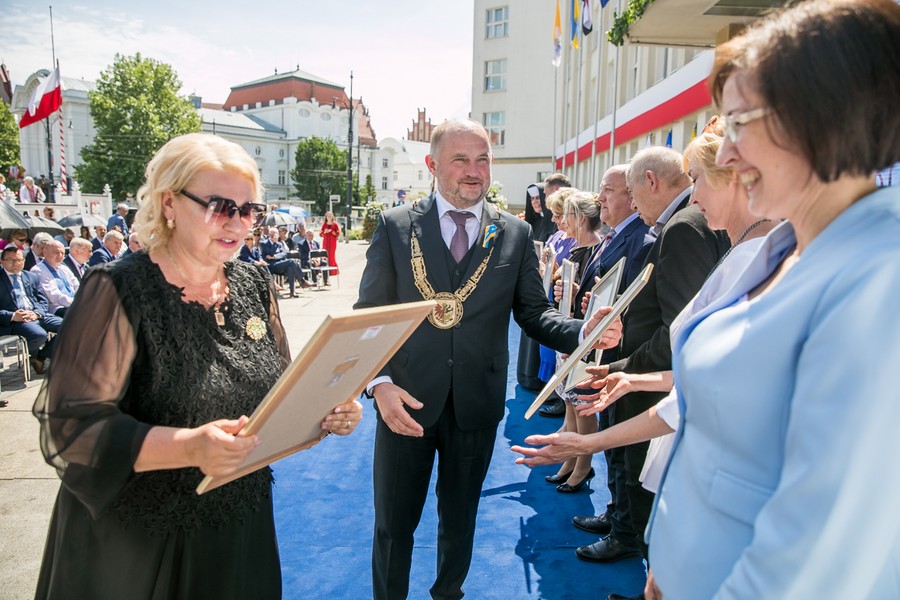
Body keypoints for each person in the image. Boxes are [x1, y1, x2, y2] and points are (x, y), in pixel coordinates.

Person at [522, 1, 900, 597]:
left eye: (740, 123)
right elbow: (712, 411)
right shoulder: (781, 249)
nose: (724, 155)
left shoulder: (879, 273)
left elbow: (827, 546)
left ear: (819, 117)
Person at [32, 132, 364, 599]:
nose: (237, 223)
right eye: (218, 205)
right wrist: (189, 446)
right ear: (169, 203)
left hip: (237, 522)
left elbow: (277, 395)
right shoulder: (119, 289)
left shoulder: (254, 282)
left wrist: (326, 412)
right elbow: (72, 430)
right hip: (139, 546)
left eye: (248, 210)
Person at [355, 119, 621, 600]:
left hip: (476, 406)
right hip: (405, 403)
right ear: (433, 165)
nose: (474, 171)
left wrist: (586, 330)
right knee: (394, 526)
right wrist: (379, 383)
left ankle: (447, 594)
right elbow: (369, 317)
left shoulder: (515, 233)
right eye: (461, 160)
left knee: (460, 521)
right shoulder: (396, 228)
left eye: (483, 160)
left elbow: (535, 314)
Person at [0, 247, 61, 374]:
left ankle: (40, 356)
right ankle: (35, 356)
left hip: (36, 314)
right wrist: (13, 315)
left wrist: (37, 313)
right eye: (10, 260)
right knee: (39, 335)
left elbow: (42, 300)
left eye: (19, 260)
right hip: (16, 320)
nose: (16, 263)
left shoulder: (31, 276)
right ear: (2, 261)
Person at [31, 239, 77, 316]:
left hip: (75, 303)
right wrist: (76, 303)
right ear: (45, 252)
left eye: (62, 253)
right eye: (56, 253)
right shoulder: (38, 270)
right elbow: (54, 296)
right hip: (57, 308)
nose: (60, 256)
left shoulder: (64, 268)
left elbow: (77, 285)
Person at [259, 228, 309, 296]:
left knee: (290, 268)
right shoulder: (264, 243)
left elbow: (284, 254)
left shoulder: (279, 244)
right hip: (271, 265)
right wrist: (274, 243)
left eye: (275, 234)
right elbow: (270, 253)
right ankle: (302, 281)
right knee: (291, 261)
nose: (274, 236)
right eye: (272, 234)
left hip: (280, 263)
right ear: (269, 235)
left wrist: (275, 256)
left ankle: (292, 291)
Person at [319, 210, 340, 275]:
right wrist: (324, 232)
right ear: (326, 217)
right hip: (325, 241)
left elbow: (338, 233)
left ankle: (333, 271)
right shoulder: (324, 224)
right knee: (325, 255)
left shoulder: (335, 224)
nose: (329, 217)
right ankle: (326, 271)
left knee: (331, 255)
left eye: (330, 216)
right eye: (328, 216)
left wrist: (333, 232)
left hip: (332, 242)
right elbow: (321, 233)